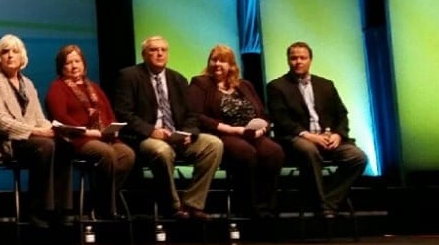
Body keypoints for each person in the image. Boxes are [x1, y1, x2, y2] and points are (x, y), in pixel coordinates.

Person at [113, 35, 223, 220]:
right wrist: (152, 131)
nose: (159, 54)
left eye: (163, 50)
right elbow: (124, 113)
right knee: (162, 151)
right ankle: (173, 207)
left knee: (214, 144)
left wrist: (188, 133)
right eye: (153, 50)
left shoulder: (178, 79)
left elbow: (191, 114)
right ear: (144, 54)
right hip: (147, 138)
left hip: (177, 136)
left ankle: (193, 204)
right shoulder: (129, 76)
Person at [266, 41, 368, 219]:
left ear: (310, 60)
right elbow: (281, 120)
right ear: (288, 61)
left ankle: (327, 201)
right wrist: (310, 136)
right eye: (294, 58)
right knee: (309, 151)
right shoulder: (277, 86)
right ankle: (323, 207)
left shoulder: (326, 85)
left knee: (357, 158)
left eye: (302, 58)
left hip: (329, 138)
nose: (298, 61)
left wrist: (338, 134)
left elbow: (342, 114)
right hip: (296, 139)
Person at [188, 44, 284, 219]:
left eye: (223, 61)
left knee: (274, 152)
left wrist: (262, 128)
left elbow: (263, 114)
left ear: (232, 65)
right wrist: (234, 130)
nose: (217, 64)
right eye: (214, 60)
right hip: (223, 133)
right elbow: (197, 116)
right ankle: (248, 207)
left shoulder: (245, 85)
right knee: (246, 153)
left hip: (251, 133)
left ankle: (266, 208)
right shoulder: (200, 83)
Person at [0, 34, 57, 228]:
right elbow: (0, 122)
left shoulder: (27, 84)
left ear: (23, 57)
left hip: (25, 141)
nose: (10, 55)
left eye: (15, 51)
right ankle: (35, 210)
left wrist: (55, 129)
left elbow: (38, 118)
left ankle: (56, 209)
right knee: (44, 145)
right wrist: (39, 132)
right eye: (5, 51)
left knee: (60, 144)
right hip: (1, 143)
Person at [45, 44, 135, 220]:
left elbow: (108, 113)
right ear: (61, 67)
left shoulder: (94, 87)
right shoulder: (57, 88)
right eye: (69, 62)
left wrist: (113, 129)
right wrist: (88, 133)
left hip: (104, 136)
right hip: (77, 140)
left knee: (127, 154)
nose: (74, 66)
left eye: (77, 61)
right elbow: (60, 117)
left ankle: (96, 202)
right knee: (106, 153)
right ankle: (106, 209)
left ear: (84, 64)